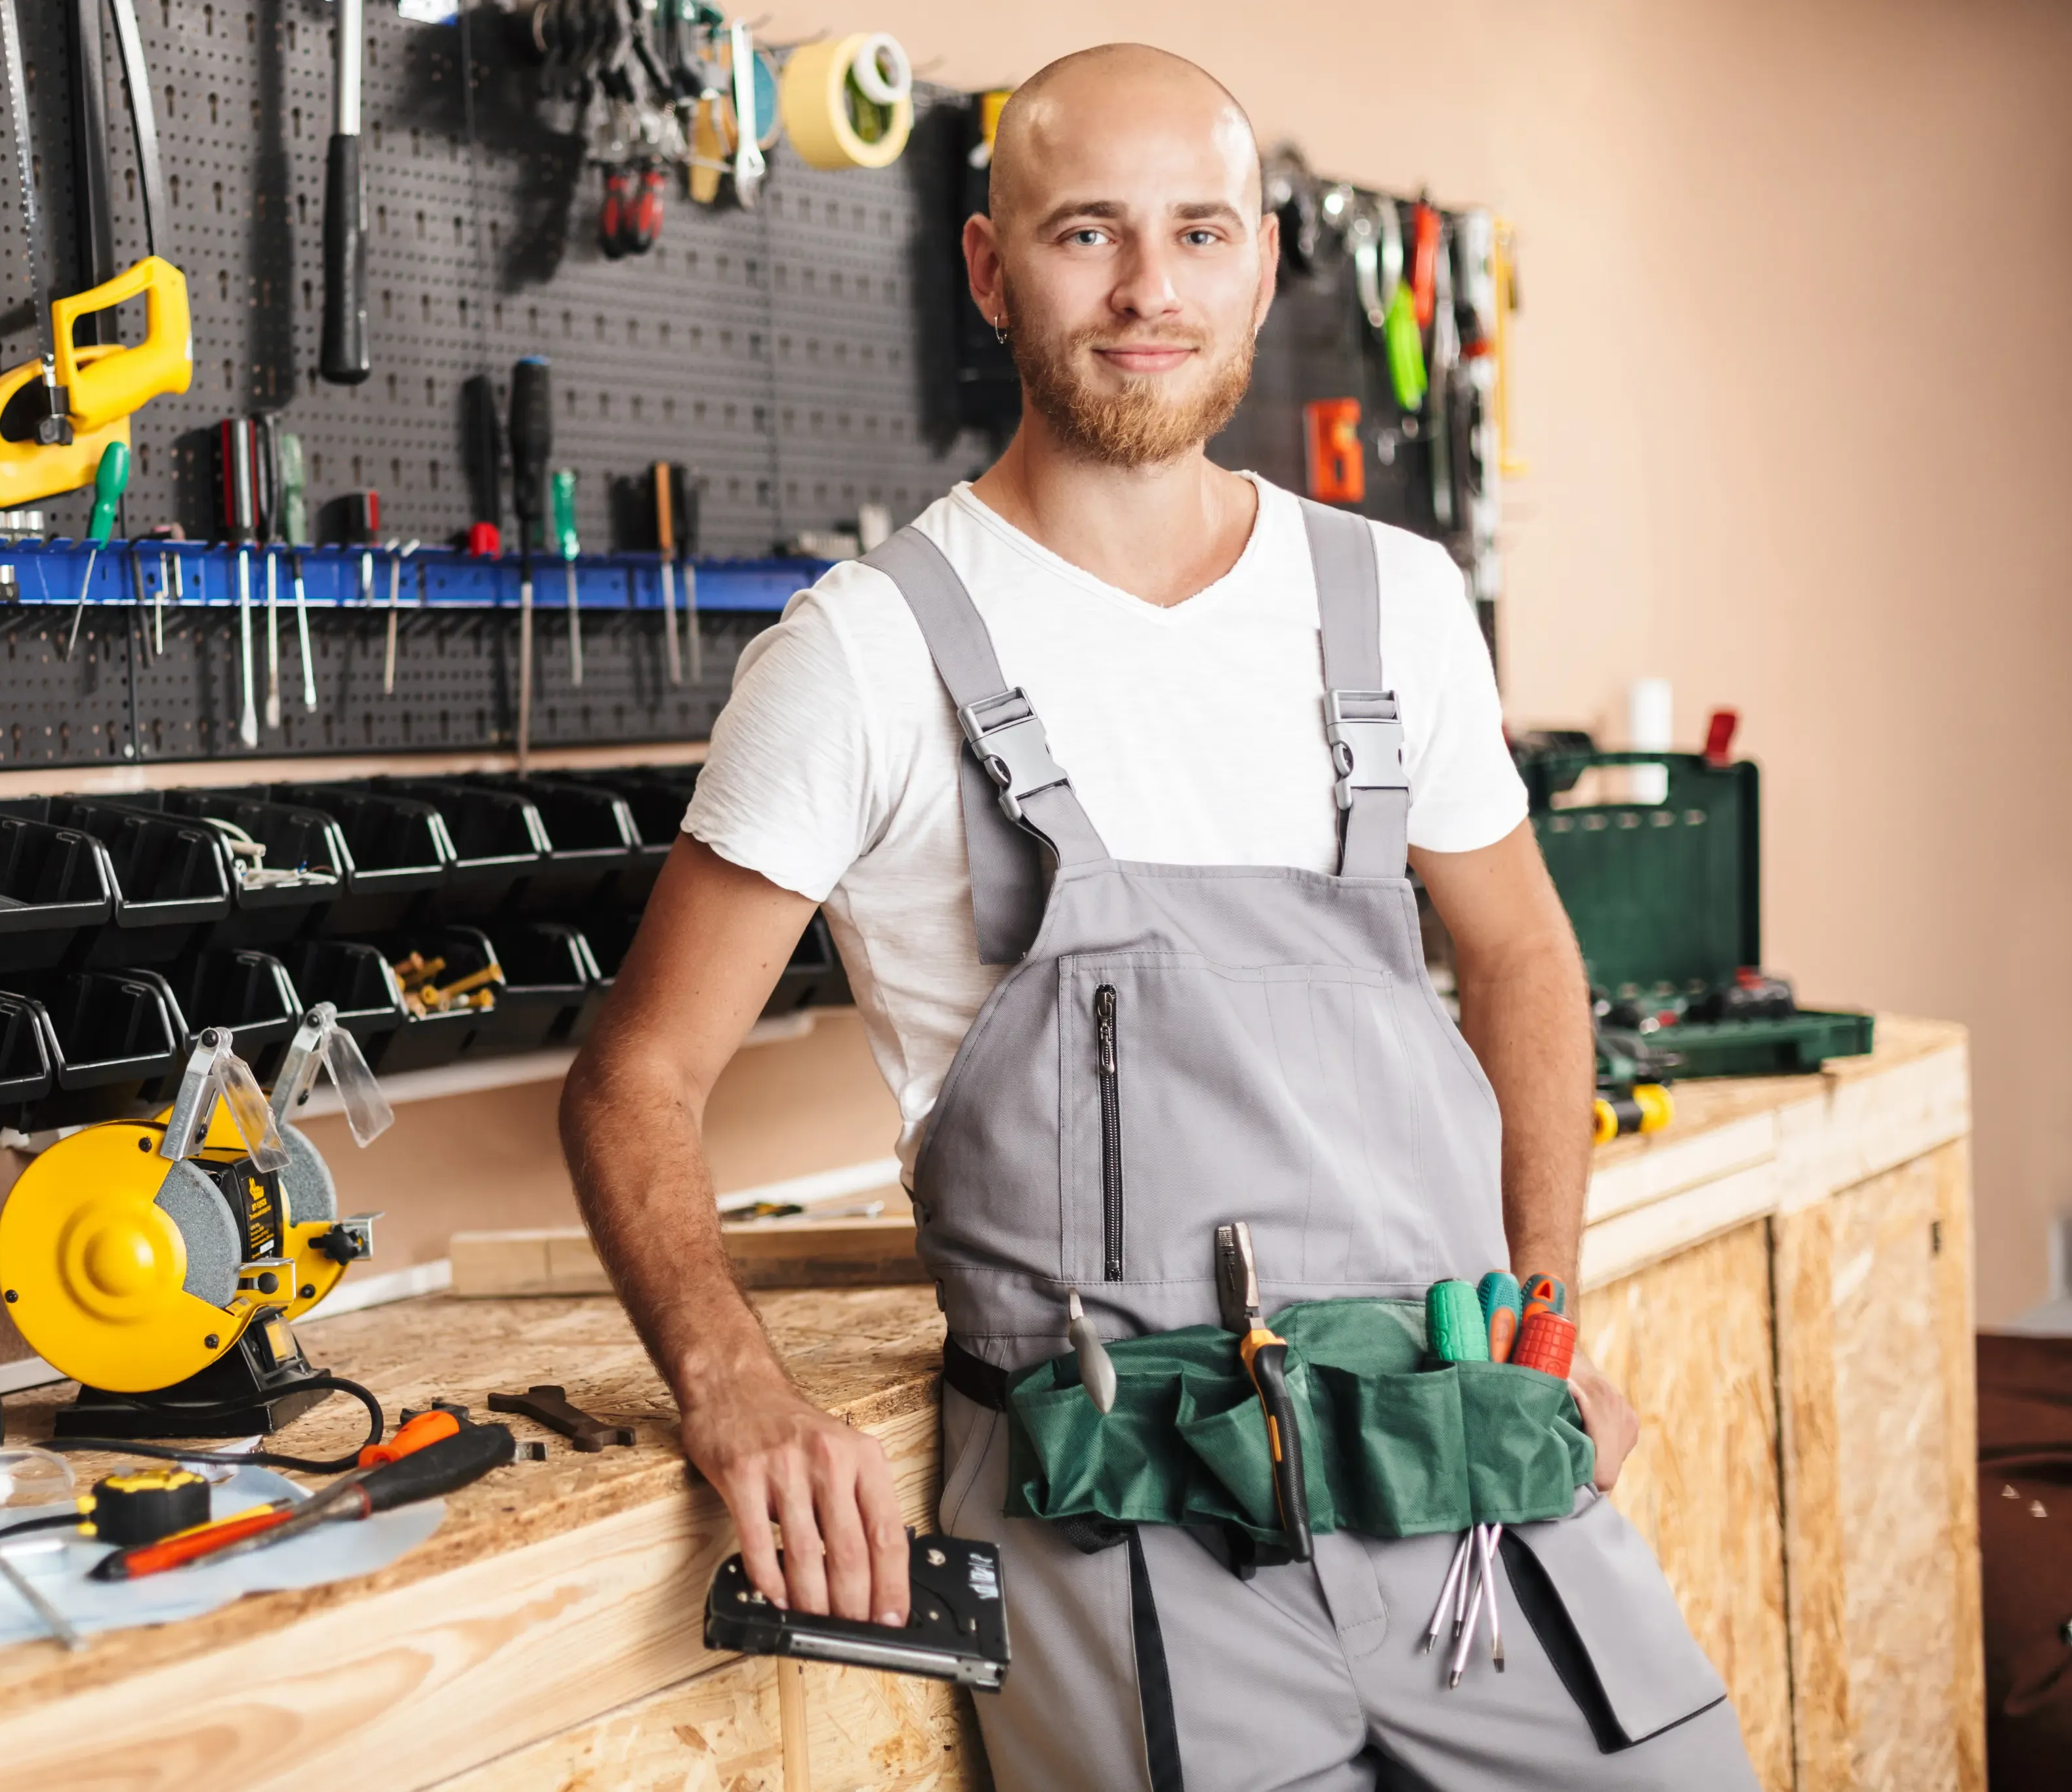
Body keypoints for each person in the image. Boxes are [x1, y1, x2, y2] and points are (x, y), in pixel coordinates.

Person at [559, 41, 1757, 1791]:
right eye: (1085, 234)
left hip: (1458, 1462)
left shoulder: (1394, 604)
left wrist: (1547, 1318)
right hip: (1121, 1511)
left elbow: (1522, 957)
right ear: (989, 269)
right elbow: (635, 1078)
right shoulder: (867, 654)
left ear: (1263, 261)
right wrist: (730, 1379)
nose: (1149, 292)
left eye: (1201, 233)